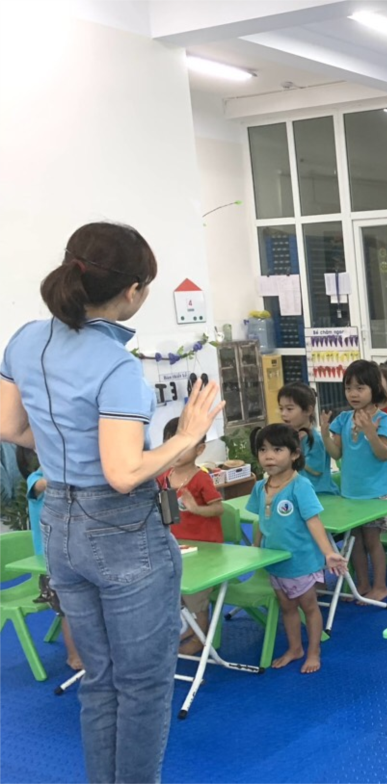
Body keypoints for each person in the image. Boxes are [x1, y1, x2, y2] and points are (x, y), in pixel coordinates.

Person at [0, 222, 223, 783]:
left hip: (59, 525)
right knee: (143, 687)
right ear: (132, 290)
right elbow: (123, 474)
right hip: (121, 532)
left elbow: (9, 427)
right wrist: (185, 436)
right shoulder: (116, 365)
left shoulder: (24, 339)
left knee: (99, 681)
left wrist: (67, 449)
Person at [246, 424, 347, 674]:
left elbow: (314, 521)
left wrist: (328, 552)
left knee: (309, 607)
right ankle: (295, 648)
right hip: (275, 562)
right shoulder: (260, 487)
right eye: (263, 450)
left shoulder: (300, 486)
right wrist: (256, 547)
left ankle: (313, 651)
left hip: (301, 561)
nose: (269, 456)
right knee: (287, 607)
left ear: (294, 454)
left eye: (277, 449)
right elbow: (261, 520)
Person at [322, 360, 387, 602]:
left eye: (360, 388)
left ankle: (380, 586)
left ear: (374, 388)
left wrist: (371, 433)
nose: (353, 394)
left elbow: (384, 454)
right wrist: (324, 434)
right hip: (350, 492)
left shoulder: (385, 420)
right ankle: (362, 583)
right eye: (348, 388)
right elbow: (336, 453)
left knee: (373, 540)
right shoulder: (343, 419)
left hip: (374, 492)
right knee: (355, 541)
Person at [158, 417, 224, 657]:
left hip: (205, 549)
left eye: (183, 446)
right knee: (178, 593)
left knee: (197, 597)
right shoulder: (163, 476)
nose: (176, 451)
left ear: (200, 449)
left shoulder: (201, 478)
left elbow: (218, 508)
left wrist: (195, 508)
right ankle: (191, 629)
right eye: (171, 444)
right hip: (177, 546)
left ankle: (200, 638)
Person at [20, 446, 83, 671]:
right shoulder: (35, 480)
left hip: (76, 557)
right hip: (51, 564)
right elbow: (42, 485)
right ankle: (74, 656)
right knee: (67, 611)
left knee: (84, 607)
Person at [277, 383, 337, 497]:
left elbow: (316, 470)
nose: (283, 414)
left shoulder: (315, 439)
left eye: (289, 409)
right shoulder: (291, 438)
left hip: (320, 495)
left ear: (308, 410)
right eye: (281, 408)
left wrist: (291, 455)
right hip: (301, 494)